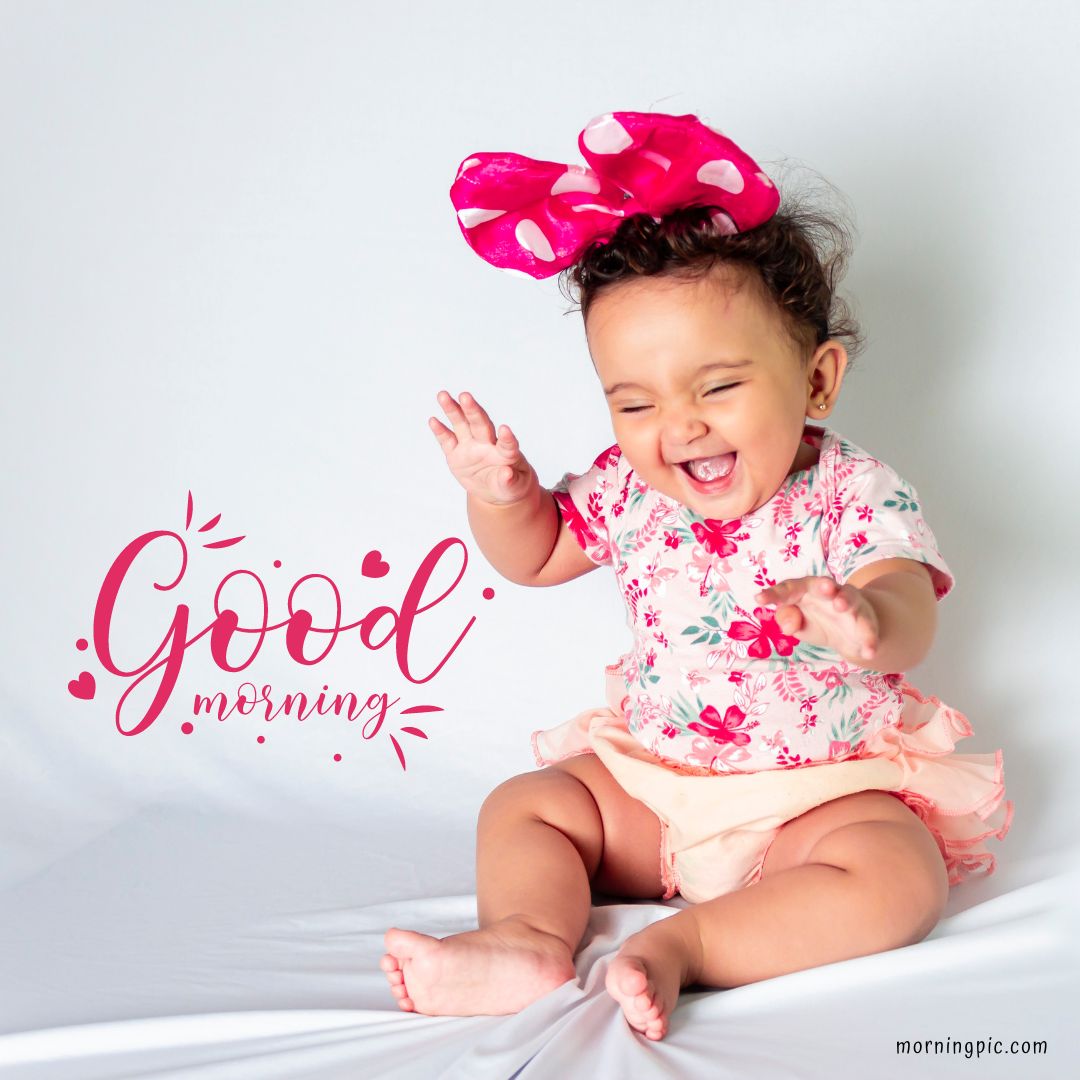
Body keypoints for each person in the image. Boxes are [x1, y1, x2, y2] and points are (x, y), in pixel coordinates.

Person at [379, 111, 1013, 1041]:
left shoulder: (852, 491)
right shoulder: (632, 490)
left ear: (818, 381)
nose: (676, 426)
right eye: (634, 401)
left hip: (818, 797)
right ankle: (523, 940)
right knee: (529, 806)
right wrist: (504, 497)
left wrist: (864, 618)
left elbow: (911, 603)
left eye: (717, 387)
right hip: (658, 790)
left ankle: (690, 948)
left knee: (900, 873)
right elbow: (538, 555)